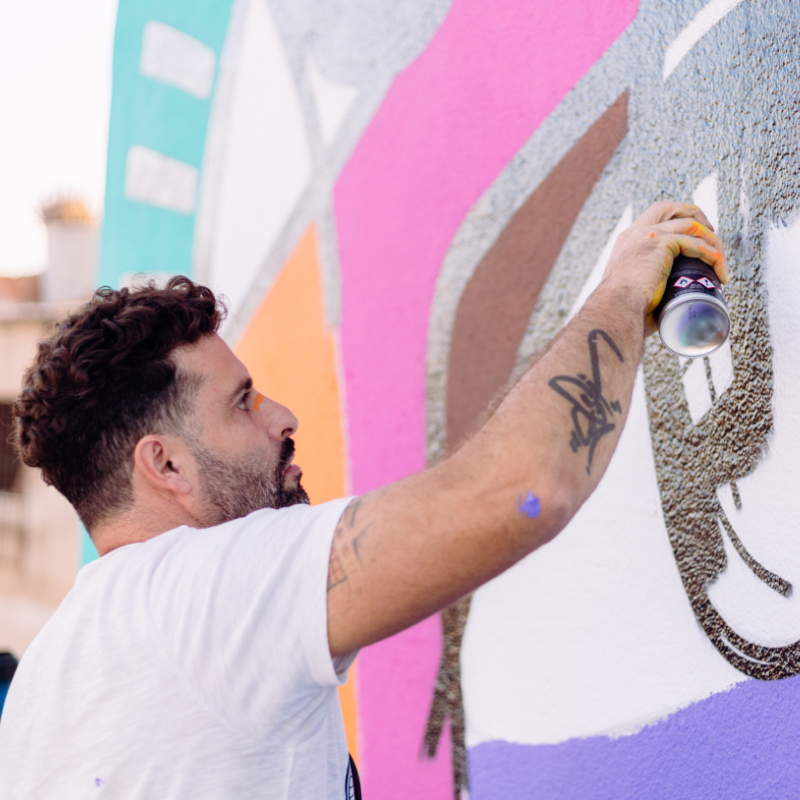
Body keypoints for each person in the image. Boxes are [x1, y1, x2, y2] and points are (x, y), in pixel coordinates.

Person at [0, 202, 726, 798]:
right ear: (165, 464)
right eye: (243, 401)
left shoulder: (45, 686)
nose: (282, 417)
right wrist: (624, 290)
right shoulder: (201, 598)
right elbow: (526, 489)